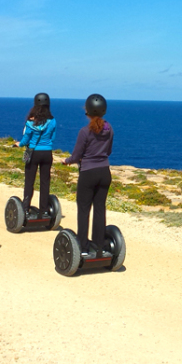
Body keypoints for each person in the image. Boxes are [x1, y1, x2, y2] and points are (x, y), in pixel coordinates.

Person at [63, 94, 114, 258]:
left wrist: (67, 161)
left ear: (88, 111)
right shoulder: (109, 129)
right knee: (100, 209)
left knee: (84, 210)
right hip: (105, 172)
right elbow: (109, 151)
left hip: (88, 173)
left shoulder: (84, 132)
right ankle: (99, 247)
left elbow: (77, 155)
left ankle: (83, 247)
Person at [13, 93, 57, 218]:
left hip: (31, 152)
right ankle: (43, 211)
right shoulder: (52, 121)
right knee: (44, 182)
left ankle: (25, 209)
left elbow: (26, 139)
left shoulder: (30, 122)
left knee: (29, 181)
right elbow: (52, 137)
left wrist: (19, 144)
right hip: (47, 152)